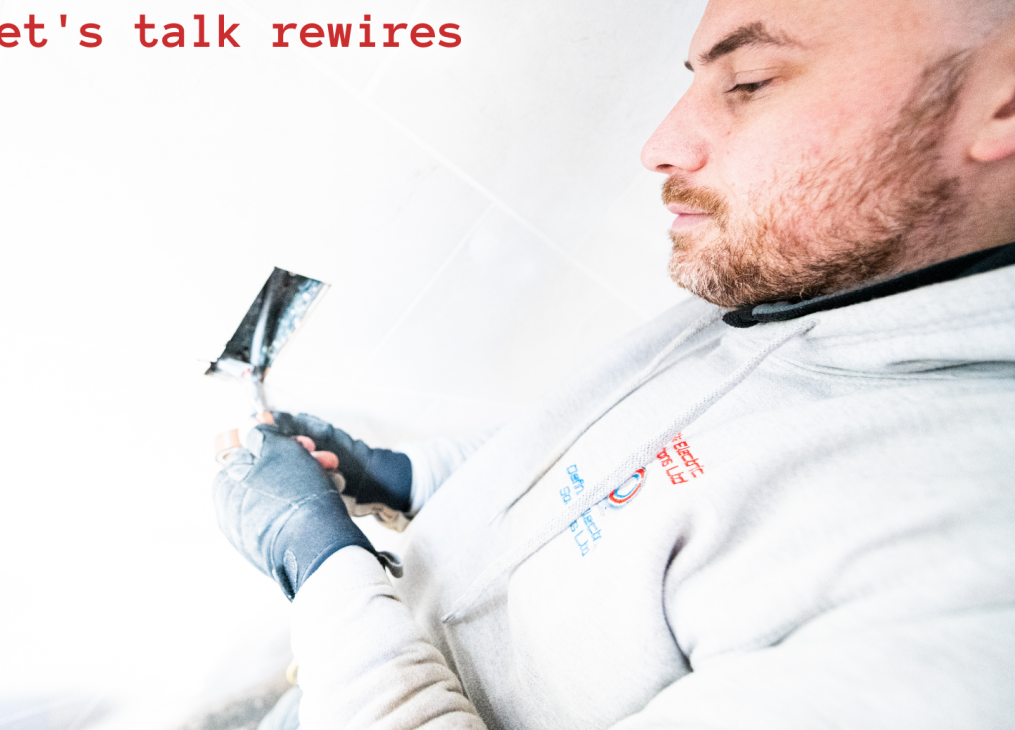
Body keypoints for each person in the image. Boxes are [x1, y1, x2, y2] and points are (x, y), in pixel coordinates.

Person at [212, 0, 1015, 727]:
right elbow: (611, 485)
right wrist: (407, 476)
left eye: (751, 81)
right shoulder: (805, 276)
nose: (660, 145)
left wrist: (317, 564)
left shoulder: (966, 608)